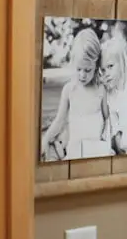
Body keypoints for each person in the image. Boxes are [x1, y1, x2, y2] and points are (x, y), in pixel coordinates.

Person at [41, 28, 112, 161]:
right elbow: (59, 120)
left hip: (97, 152)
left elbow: (108, 119)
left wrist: (108, 144)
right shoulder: (69, 90)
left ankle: (59, 146)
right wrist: (45, 139)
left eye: (87, 70)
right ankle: (58, 146)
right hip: (75, 152)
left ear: (96, 65)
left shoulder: (101, 90)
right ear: (73, 62)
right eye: (79, 69)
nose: (82, 75)